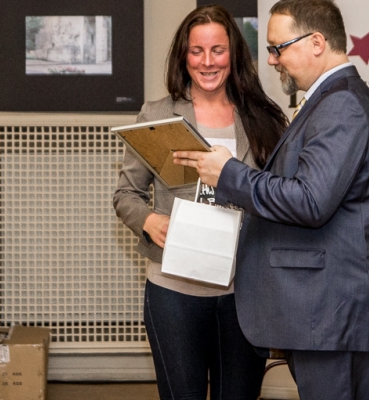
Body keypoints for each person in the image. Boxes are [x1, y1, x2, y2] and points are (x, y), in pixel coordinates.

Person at [173, 1, 369, 399]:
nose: (272, 60)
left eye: (278, 48)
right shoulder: (329, 99)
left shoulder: (340, 104)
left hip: (330, 311)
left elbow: (311, 201)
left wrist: (228, 174)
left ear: (317, 42)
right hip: (324, 312)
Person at [113, 5, 288, 399]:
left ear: (234, 54)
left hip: (244, 294)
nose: (207, 62)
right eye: (197, 51)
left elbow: (281, 198)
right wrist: (149, 221)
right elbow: (126, 195)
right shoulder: (157, 114)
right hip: (173, 294)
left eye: (217, 50)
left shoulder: (264, 118)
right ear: (184, 55)